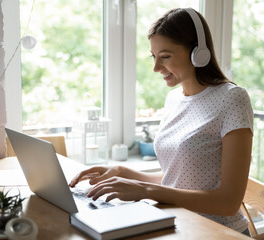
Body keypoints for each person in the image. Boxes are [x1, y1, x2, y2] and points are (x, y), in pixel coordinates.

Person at [69, 8, 253, 235]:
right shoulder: (174, 99)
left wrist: (146, 190)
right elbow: (179, 179)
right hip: (178, 222)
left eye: (165, 56)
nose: (156, 68)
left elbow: (228, 202)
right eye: (153, 57)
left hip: (218, 232)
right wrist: (123, 172)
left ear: (198, 52)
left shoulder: (232, 98)